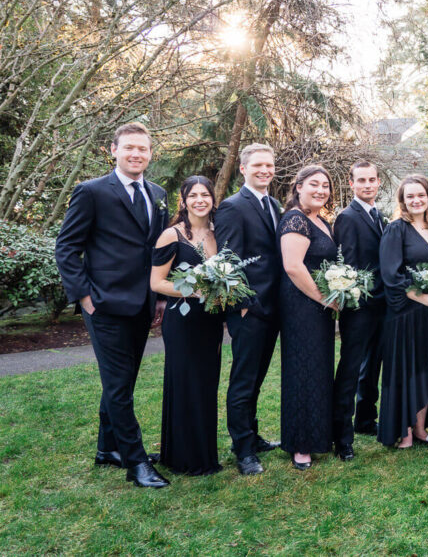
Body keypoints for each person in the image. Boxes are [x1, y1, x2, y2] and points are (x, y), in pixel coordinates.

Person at [54, 122, 170, 488]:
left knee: (122, 382)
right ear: (114, 150)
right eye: (129, 147)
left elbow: (158, 251)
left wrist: (160, 296)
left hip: (142, 303)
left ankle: (108, 449)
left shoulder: (158, 193)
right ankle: (136, 463)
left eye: (143, 149)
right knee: (119, 385)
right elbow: (66, 247)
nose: (136, 154)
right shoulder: (91, 192)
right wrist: (84, 297)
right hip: (103, 304)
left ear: (150, 154)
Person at [214, 143, 282, 475]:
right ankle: (243, 450)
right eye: (257, 165)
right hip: (249, 310)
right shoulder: (232, 207)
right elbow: (228, 260)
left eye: (269, 165)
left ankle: (252, 435)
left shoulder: (274, 204)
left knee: (257, 379)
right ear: (243, 169)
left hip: (274, 308)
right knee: (243, 381)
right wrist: (241, 306)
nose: (264, 170)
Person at [149, 176, 224, 476]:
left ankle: (204, 454)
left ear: (213, 199)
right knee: (185, 383)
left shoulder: (219, 233)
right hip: (182, 320)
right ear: (183, 200)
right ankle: (181, 457)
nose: (200, 200)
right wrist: (192, 291)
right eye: (193, 195)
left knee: (207, 383)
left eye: (205, 195)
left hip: (210, 320)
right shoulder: (172, 235)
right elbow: (157, 282)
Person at [378, 176, 428, 448]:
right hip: (405, 313)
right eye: (410, 196)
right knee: (407, 370)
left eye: (421, 195)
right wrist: (423, 297)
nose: (416, 200)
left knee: (427, 368)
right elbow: (391, 274)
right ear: (402, 201)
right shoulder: (396, 229)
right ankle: (404, 431)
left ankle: (420, 428)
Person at [278, 166, 339, 470]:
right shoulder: (295, 219)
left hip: (319, 308)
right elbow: (293, 266)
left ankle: (317, 436)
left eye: (325, 185)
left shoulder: (320, 220)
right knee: (302, 371)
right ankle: (300, 445)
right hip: (301, 306)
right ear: (298, 186)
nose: (321, 190)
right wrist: (324, 297)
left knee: (318, 369)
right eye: (314, 184)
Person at [331, 160, 386, 458]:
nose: (367, 185)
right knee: (351, 368)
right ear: (351, 184)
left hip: (382, 305)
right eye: (361, 180)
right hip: (360, 306)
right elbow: (348, 264)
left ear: (378, 182)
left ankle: (366, 419)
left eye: (372, 180)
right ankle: (342, 437)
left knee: (372, 365)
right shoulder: (347, 217)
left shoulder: (379, 215)